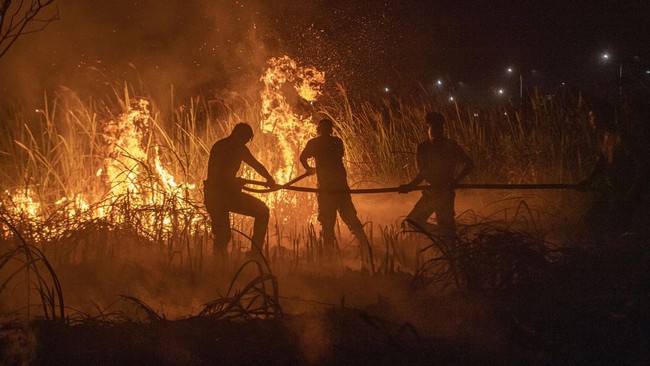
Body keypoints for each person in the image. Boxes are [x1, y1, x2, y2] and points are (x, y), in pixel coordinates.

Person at [300, 118, 372, 266]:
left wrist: (310, 169)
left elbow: (302, 157)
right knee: (351, 217)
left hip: (326, 188)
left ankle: (329, 256)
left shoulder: (314, 143)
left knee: (327, 222)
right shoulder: (337, 142)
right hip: (340, 187)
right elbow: (337, 157)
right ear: (331, 130)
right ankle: (366, 247)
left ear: (319, 129)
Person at [204, 123, 276, 264]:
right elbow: (216, 175)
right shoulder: (223, 147)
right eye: (246, 139)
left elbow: (255, 164)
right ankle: (218, 266)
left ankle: (253, 254)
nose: (246, 142)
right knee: (223, 235)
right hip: (217, 196)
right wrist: (234, 181)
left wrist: (269, 179)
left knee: (262, 212)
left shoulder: (237, 147)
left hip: (227, 195)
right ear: (238, 135)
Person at [399, 112, 474, 237]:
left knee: (416, 223)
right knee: (412, 223)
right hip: (432, 192)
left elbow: (469, 164)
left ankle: (445, 238)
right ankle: (443, 235)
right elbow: (424, 173)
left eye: (439, 127)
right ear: (427, 127)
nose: (436, 130)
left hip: (444, 193)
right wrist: (410, 186)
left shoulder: (450, 146)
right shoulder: (424, 147)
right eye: (433, 126)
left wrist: (456, 181)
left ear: (443, 128)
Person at [578, 100, 644, 238]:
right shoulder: (604, 137)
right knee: (590, 220)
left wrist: (632, 192)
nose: (590, 120)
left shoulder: (622, 137)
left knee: (616, 229)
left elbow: (642, 164)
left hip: (625, 192)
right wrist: (589, 181)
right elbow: (602, 163)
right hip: (612, 189)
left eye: (592, 117)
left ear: (601, 117)